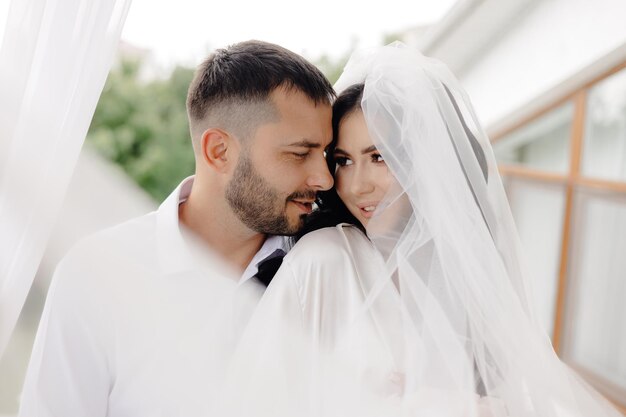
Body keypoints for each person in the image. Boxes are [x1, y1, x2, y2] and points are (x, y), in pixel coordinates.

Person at [217, 43, 624, 417]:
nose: (357, 184)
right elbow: (250, 401)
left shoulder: (466, 281)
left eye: (379, 157)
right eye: (343, 160)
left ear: (427, 163)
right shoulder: (325, 259)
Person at [18, 40, 335, 417]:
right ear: (219, 151)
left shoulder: (328, 268)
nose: (325, 178)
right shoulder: (94, 275)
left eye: (326, 154)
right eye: (300, 153)